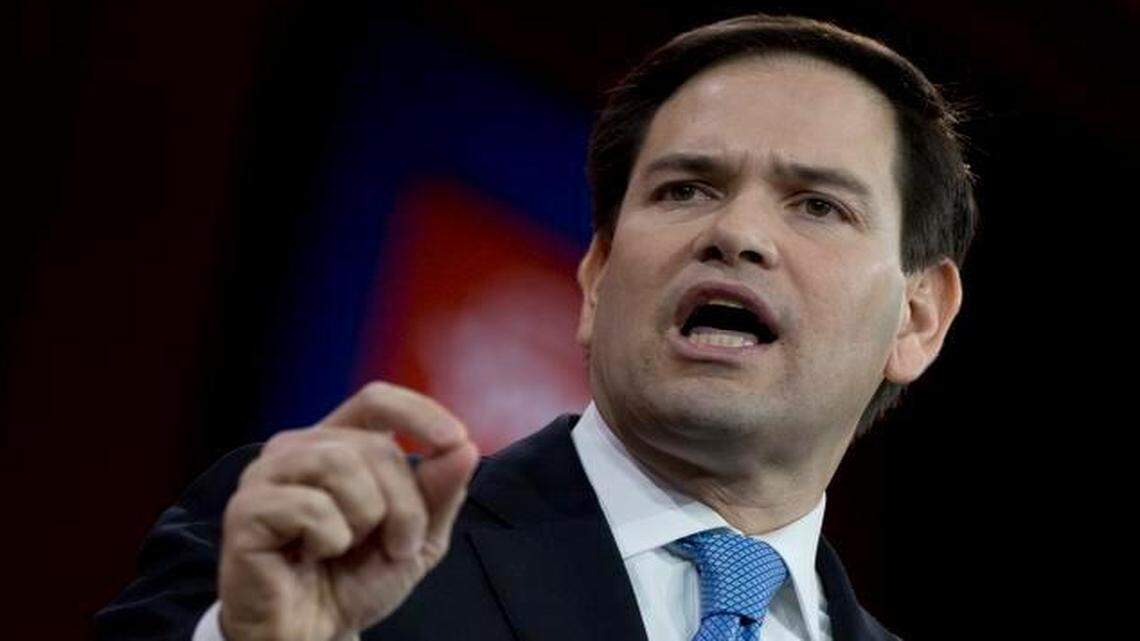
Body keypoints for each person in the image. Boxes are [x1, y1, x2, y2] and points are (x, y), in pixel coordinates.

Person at [97, 13, 975, 641]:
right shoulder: (319, 550)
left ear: (919, 314)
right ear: (595, 278)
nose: (736, 234)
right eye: (686, 189)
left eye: (816, 204)